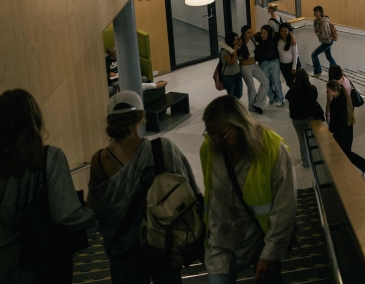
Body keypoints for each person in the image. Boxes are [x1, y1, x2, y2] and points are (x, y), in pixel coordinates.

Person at [87, 91, 199, 284]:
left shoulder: (99, 160)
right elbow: (188, 191)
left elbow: (97, 208)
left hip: (122, 250)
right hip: (164, 245)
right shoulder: (162, 149)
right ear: (141, 116)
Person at [0, 89, 96, 283]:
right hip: (44, 263)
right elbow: (64, 215)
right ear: (33, 119)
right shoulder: (48, 158)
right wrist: (93, 213)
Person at [200, 96, 295, 284]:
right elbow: (211, 196)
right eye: (211, 134)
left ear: (240, 125)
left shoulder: (273, 149)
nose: (216, 141)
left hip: (260, 241)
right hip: (221, 244)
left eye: (222, 135)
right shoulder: (209, 148)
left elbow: (285, 207)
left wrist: (269, 254)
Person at [326, 80, 365, 176]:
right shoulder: (340, 98)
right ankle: (360, 166)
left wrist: (334, 132)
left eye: (328, 90)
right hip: (345, 131)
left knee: (345, 152)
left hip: (342, 133)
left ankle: (363, 165)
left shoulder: (340, 103)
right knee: (344, 152)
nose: (326, 92)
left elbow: (340, 121)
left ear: (334, 90)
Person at [286, 70, 321, 169]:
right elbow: (315, 98)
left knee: (301, 140)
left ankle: (305, 162)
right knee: (310, 138)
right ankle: (314, 158)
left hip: (297, 119)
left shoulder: (292, 90)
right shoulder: (312, 89)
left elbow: (287, 97)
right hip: (310, 118)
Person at [238, 25, 269, 115]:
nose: (250, 34)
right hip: (245, 67)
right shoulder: (240, 43)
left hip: (254, 65)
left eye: (251, 32)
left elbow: (263, 34)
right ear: (243, 34)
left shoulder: (253, 39)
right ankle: (251, 107)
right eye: (248, 33)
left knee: (265, 81)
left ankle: (257, 103)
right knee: (252, 88)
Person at [254, 26, 283, 108]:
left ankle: (280, 98)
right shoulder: (258, 39)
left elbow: (285, 29)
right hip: (263, 64)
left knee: (276, 81)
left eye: (265, 33)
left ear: (269, 33)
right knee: (266, 82)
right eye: (261, 33)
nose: (263, 35)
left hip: (274, 63)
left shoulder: (274, 39)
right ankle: (272, 98)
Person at [310, 6, 338, 78]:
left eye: (316, 11)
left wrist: (318, 33)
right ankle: (337, 71)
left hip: (327, 42)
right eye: (314, 11)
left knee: (314, 55)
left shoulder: (323, 23)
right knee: (329, 56)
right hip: (326, 41)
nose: (314, 13)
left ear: (321, 12)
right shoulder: (316, 21)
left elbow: (325, 35)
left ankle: (318, 71)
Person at [219, 33, 244, 99]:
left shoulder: (234, 48)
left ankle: (235, 107)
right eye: (234, 40)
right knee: (231, 96)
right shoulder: (224, 51)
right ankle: (230, 108)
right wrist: (234, 50)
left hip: (237, 74)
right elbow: (232, 62)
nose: (236, 42)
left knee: (239, 94)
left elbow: (240, 57)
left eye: (237, 39)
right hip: (228, 76)